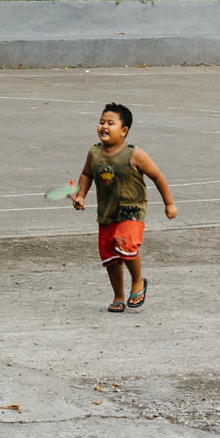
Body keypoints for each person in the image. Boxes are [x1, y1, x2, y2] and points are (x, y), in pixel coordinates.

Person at [71, 102, 177, 312]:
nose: (104, 126)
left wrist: (169, 204)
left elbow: (157, 177)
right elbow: (86, 175)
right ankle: (118, 296)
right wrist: (81, 195)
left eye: (111, 123)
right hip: (107, 213)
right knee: (110, 257)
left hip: (131, 210)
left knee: (126, 245)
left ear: (124, 130)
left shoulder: (134, 154)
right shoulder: (94, 153)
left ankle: (138, 281)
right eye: (102, 122)